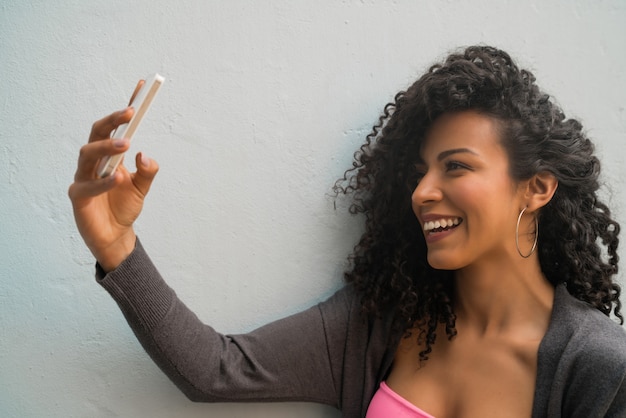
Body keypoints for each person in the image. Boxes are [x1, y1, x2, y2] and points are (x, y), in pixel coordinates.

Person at [69, 46, 626, 417]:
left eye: (455, 166)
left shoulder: (598, 366)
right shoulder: (380, 322)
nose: (422, 192)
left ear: (538, 188)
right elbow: (216, 369)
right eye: (418, 173)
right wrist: (116, 246)